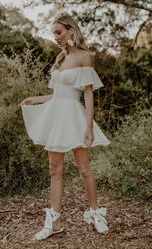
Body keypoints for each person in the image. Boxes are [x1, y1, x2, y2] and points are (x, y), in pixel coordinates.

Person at [19, 12, 110, 241]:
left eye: (59, 32)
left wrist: (88, 127)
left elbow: (88, 95)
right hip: (55, 117)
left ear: (71, 30)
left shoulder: (84, 57)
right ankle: (55, 221)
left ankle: (94, 214)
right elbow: (56, 95)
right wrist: (35, 99)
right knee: (54, 170)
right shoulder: (60, 59)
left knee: (84, 168)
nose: (56, 37)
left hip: (74, 116)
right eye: (54, 34)